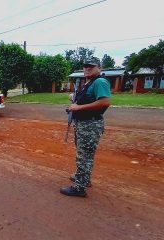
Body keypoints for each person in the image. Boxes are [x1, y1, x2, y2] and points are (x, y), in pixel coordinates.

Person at [60, 58, 111, 197]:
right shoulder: (89, 83)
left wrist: (78, 107)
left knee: (83, 156)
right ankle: (84, 179)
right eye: (85, 66)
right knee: (85, 154)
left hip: (90, 124)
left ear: (99, 68)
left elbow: (105, 102)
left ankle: (79, 188)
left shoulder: (100, 81)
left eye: (91, 66)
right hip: (84, 124)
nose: (87, 68)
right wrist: (74, 100)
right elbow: (88, 99)